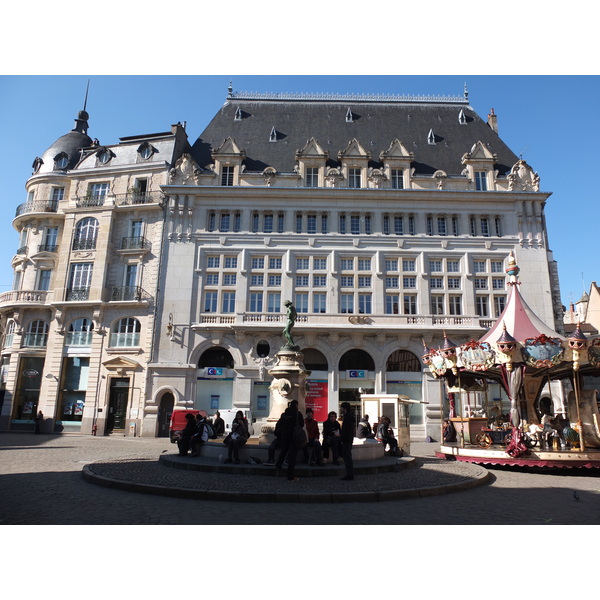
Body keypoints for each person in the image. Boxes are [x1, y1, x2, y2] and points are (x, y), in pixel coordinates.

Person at [275, 400, 304, 481]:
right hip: (294, 437)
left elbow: (279, 425)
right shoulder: (297, 414)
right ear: (296, 405)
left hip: (285, 436)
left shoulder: (284, 414)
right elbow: (301, 424)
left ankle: (278, 464)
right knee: (292, 456)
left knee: (284, 451)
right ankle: (290, 475)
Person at [340, 402, 355, 480]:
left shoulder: (347, 417)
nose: (340, 409)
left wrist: (342, 438)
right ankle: (349, 473)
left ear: (345, 408)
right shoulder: (349, 417)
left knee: (347, 457)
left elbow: (346, 430)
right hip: (349, 439)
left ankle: (349, 474)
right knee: (348, 457)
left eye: (341, 408)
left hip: (346, 440)